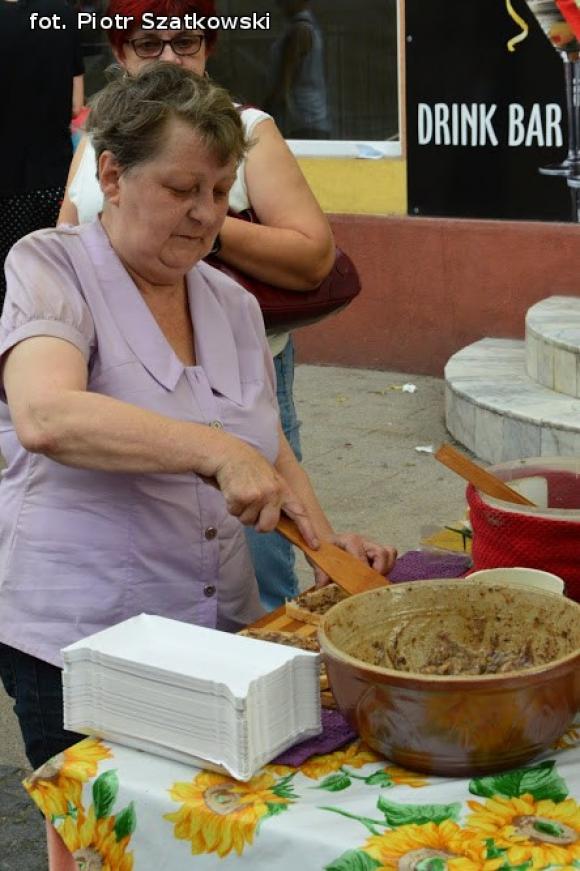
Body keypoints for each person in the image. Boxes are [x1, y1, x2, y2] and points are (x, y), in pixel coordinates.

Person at [0, 63, 396, 771]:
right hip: (83, 643)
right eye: (182, 189)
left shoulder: (232, 302)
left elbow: (271, 450)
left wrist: (330, 553)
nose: (207, 214)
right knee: (108, 818)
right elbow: (46, 414)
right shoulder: (51, 267)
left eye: (219, 191)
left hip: (217, 635)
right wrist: (214, 451)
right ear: (113, 176)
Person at [57, 0, 335, 612]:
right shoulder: (102, 134)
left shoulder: (248, 130)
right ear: (121, 53)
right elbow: (67, 241)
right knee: (153, 548)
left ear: (208, 47)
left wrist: (194, 219)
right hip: (119, 370)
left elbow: (315, 256)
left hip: (235, 364)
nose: (169, 57)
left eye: (185, 41)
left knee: (259, 552)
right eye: (149, 43)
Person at [0, 0, 84, 308]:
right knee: (49, 285)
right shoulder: (63, 15)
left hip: (5, 182)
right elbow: (76, 104)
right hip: (54, 183)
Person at [265, 0, 330, 139]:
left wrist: (267, 109)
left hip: (304, 118)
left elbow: (286, 77)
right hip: (307, 117)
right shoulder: (305, 28)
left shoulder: (300, 30)